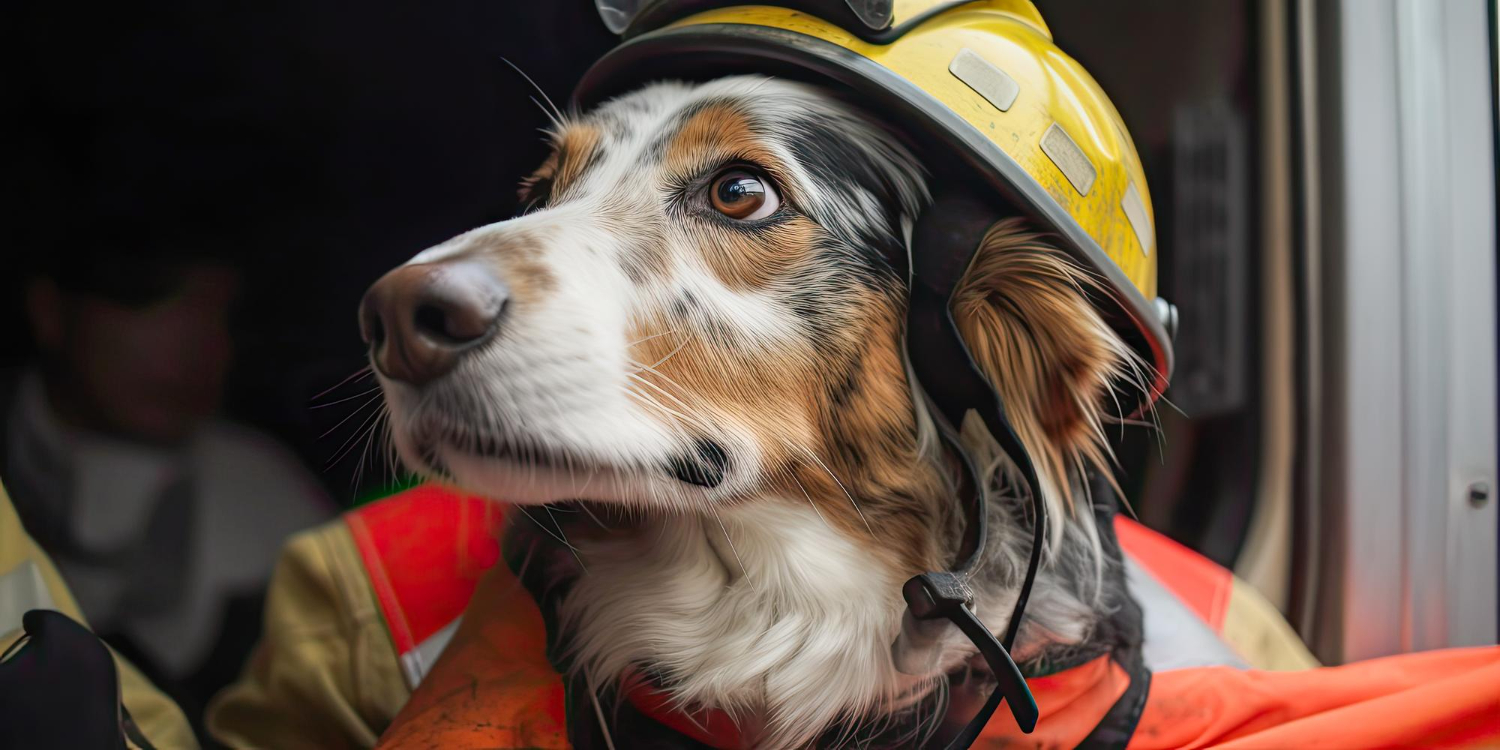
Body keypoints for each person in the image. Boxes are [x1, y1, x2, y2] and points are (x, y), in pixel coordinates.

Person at [1, 222, 333, 737]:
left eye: (218, 312)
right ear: (50, 312)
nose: (194, 346)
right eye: (152, 302)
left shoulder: (269, 493)